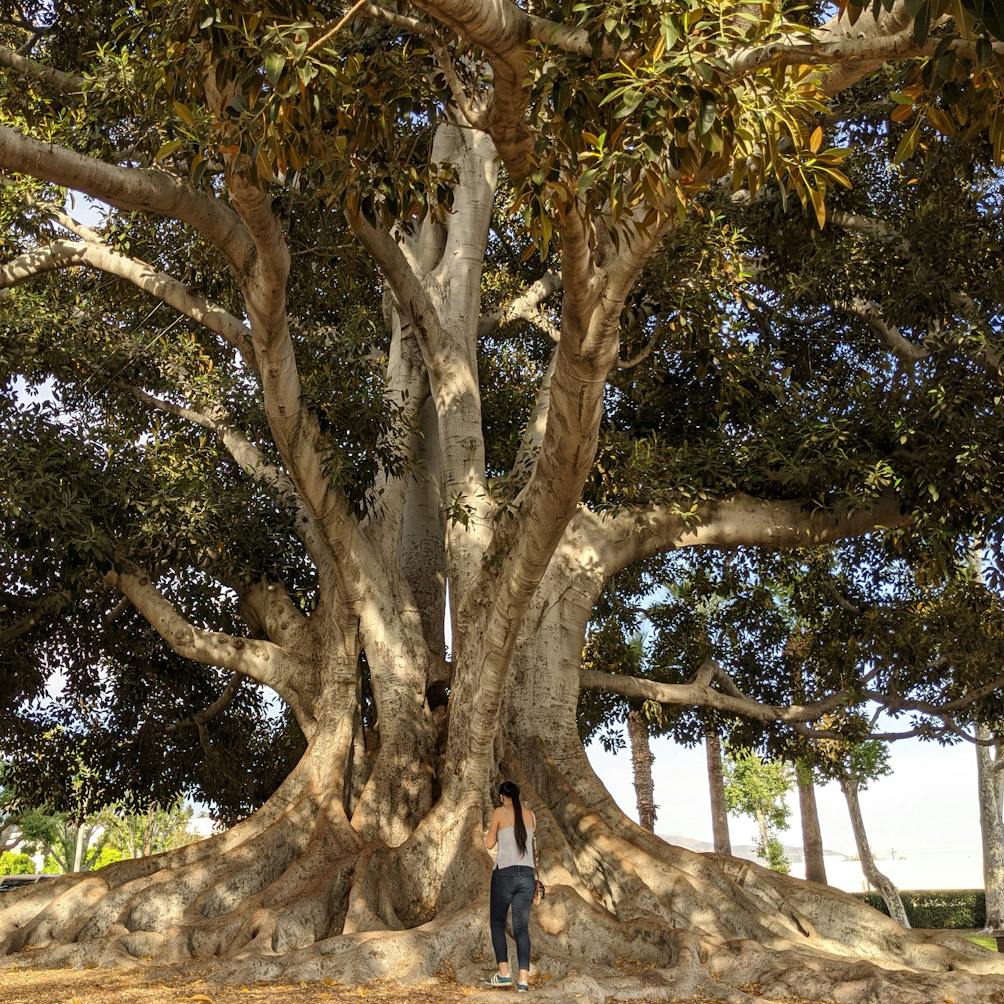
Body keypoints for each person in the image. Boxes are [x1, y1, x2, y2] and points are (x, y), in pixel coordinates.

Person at [483, 779, 537, 993]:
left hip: (504, 874)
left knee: (497, 923)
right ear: (517, 794)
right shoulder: (531, 815)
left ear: (501, 797)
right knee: (522, 928)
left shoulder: (499, 813)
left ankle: (504, 974)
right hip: (526, 875)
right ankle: (523, 980)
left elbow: (488, 843)